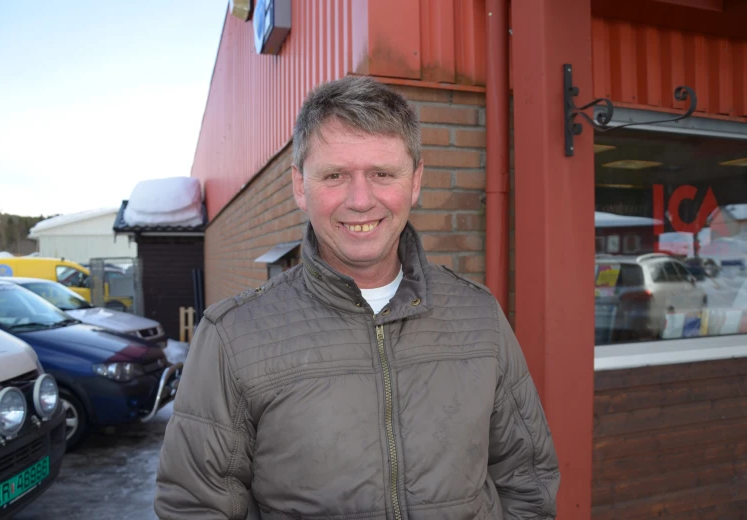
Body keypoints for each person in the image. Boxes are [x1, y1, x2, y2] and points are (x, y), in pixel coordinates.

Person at [154, 76, 560, 519]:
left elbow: (527, 480)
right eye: (335, 176)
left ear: (416, 181)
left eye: (383, 174)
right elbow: (196, 507)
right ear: (299, 186)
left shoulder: (479, 315)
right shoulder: (232, 337)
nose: (361, 200)